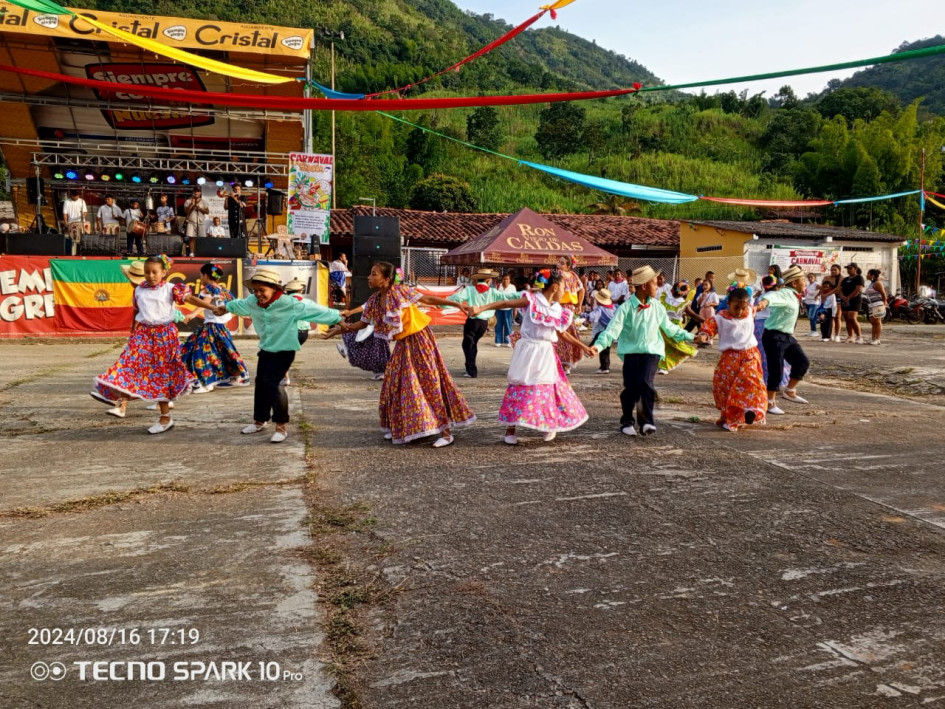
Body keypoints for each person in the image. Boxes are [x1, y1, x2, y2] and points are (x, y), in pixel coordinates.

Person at [341, 262, 476, 447]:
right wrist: (341, 326)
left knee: (429, 381)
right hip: (404, 343)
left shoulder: (400, 291)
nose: (369, 277)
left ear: (386, 279)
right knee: (394, 383)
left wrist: (454, 303)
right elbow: (362, 324)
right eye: (370, 274)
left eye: (373, 274)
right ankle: (400, 426)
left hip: (420, 339)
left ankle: (445, 432)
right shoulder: (374, 300)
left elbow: (426, 300)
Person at [215, 268, 343, 443]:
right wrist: (225, 308)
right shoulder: (253, 302)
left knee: (274, 385)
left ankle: (281, 427)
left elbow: (316, 311)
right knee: (261, 383)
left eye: (262, 290)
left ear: (274, 288)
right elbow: (239, 305)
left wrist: (338, 318)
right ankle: (260, 420)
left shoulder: (289, 303)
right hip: (266, 349)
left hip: (284, 350)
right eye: (255, 290)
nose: (258, 294)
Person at [92, 255, 217, 434]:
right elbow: (137, 310)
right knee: (128, 362)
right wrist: (132, 329)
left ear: (164, 272)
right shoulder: (139, 291)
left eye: (154, 272)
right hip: (143, 332)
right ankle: (117, 400)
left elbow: (189, 299)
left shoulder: (171, 289)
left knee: (161, 374)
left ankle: (165, 418)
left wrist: (212, 308)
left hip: (164, 335)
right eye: (147, 272)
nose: (150, 275)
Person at [469, 269, 593, 445]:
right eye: (564, 288)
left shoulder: (559, 310)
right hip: (528, 350)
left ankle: (548, 424)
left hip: (546, 352)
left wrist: (583, 347)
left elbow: (562, 333)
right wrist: (481, 308)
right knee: (520, 385)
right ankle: (510, 427)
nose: (566, 292)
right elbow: (505, 302)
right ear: (555, 287)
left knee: (547, 388)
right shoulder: (532, 301)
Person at [591, 265, 695, 437]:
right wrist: (598, 346)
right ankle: (627, 420)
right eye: (655, 283)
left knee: (645, 382)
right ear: (645, 286)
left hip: (652, 351)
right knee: (631, 387)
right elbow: (612, 330)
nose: (658, 286)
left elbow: (670, 329)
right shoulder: (625, 308)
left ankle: (646, 420)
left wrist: (691, 337)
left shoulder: (657, 306)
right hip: (631, 352)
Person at [695, 287, 767, 432]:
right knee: (727, 388)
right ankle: (731, 416)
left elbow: (759, 305)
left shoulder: (749, 312)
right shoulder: (719, 318)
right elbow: (708, 329)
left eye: (743, 307)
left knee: (751, 382)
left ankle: (750, 410)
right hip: (730, 358)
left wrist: (764, 301)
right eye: (736, 307)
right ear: (728, 303)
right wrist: (703, 336)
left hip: (750, 354)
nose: (740, 311)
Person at [180, 263, 249, 394]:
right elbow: (232, 307)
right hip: (222, 327)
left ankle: (205, 383)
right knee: (224, 352)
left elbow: (204, 303)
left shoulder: (208, 289)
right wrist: (245, 316)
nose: (201, 277)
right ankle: (240, 376)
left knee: (200, 353)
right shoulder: (225, 291)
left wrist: (192, 314)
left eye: (201, 275)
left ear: (205, 275)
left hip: (211, 327)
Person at [755, 265, 811, 415]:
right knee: (776, 370)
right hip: (774, 336)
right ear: (794, 283)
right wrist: (763, 303)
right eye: (802, 280)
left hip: (787, 336)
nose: (805, 283)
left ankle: (790, 391)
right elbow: (772, 296)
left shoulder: (794, 295)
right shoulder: (786, 293)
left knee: (802, 362)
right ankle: (769, 402)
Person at [448, 269, 520, 378]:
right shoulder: (493, 292)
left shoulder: (470, 290)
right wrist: (526, 294)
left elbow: (455, 298)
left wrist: (440, 303)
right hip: (484, 323)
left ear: (477, 280)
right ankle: (470, 368)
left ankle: (471, 371)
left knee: (468, 345)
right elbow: (508, 297)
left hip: (473, 322)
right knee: (472, 345)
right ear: (488, 280)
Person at [324, 304, 392, 381]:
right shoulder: (375, 298)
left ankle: (382, 372)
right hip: (374, 327)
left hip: (384, 329)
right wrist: (349, 315)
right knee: (362, 342)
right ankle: (380, 372)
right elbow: (366, 306)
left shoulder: (393, 297)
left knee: (378, 349)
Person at [658, 280, 701, 372]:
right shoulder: (665, 297)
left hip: (675, 327)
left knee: (675, 345)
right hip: (663, 325)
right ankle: (662, 365)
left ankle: (665, 365)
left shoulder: (683, 303)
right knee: (662, 345)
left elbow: (692, 314)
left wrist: (705, 321)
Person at [554, 254, 586, 374]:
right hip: (566, 308)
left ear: (568, 266)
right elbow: (581, 289)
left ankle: (564, 363)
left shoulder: (560, 275)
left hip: (563, 307)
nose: (559, 265)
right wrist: (578, 305)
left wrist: (578, 305)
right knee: (566, 334)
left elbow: (581, 289)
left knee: (561, 335)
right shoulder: (573, 275)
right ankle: (564, 363)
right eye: (558, 262)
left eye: (562, 263)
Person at [587, 287, 616, 374]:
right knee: (606, 349)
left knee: (601, 346)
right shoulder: (612, 308)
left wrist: (583, 315)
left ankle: (604, 367)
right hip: (610, 331)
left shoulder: (600, 309)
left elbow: (592, 316)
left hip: (602, 330)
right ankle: (605, 366)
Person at [838, 262, 866, 343]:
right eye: (847, 269)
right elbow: (840, 289)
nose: (848, 270)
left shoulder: (859, 278)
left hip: (854, 300)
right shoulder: (845, 279)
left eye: (850, 268)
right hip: (845, 300)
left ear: (855, 269)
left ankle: (859, 336)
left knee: (852, 318)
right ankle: (850, 336)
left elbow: (858, 289)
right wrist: (843, 296)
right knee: (847, 319)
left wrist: (849, 297)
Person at [819, 264, 843, 342]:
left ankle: (837, 335)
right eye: (832, 269)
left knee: (837, 317)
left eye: (835, 270)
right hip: (826, 299)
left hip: (837, 298)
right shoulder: (826, 277)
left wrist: (827, 294)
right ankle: (830, 334)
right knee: (828, 319)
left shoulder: (842, 278)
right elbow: (822, 287)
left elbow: (837, 289)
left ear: (839, 270)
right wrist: (822, 295)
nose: (833, 271)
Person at [864, 268, 888, 345]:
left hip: (877, 304)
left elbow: (883, 294)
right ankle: (873, 338)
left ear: (872, 275)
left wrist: (884, 303)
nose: (866, 275)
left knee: (877, 322)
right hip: (871, 305)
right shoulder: (872, 283)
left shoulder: (878, 283)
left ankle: (877, 339)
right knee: (873, 322)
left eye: (868, 273)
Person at [493, 272, 517, 347]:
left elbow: (515, 299)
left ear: (509, 280)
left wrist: (515, 310)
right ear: (502, 279)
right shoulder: (498, 286)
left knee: (508, 325)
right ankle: (498, 340)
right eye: (504, 279)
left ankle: (508, 341)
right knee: (498, 325)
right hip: (499, 309)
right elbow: (495, 299)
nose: (505, 281)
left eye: (507, 279)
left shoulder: (512, 287)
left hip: (508, 309)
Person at [184, 188, 210, 255]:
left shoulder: (204, 201)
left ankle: (201, 252)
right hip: (191, 221)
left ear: (200, 193)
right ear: (193, 192)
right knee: (191, 237)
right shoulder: (188, 201)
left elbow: (207, 211)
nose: (196, 193)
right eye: (195, 191)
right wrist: (191, 205)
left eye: (198, 191)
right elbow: (186, 211)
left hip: (200, 221)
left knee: (201, 238)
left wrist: (200, 208)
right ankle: (192, 252)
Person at [802, 273, 821, 338]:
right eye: (809, 277)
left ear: (814, 278)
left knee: (811, 316)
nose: (810, 278)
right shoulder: (808, 285)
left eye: (811, 277)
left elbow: (822, 289)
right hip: (808, 302)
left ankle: (815, 330)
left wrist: (817, 295)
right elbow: (805, 293)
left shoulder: (816, 284)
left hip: (814, 302)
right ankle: (813, 330)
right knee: (810, 317)